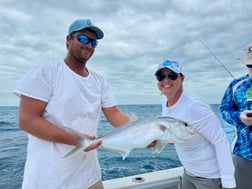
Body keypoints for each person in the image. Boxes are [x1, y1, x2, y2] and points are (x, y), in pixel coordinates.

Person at [14, 19, 130, 189]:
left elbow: (114, 114)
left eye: (93, 42)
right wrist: (76, 140)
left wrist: (148, 130)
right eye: (83, 39)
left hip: (90, 178)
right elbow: (27, 120)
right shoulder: (46, 71)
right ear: (68, 39)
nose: (89, 45)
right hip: (48, 181)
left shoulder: (100, 81)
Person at [154, 59, 236, 189]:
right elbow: (176, 135)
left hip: (208, 176)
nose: (166, 80)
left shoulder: (195, 106)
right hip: (188, 171)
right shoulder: (164, 100)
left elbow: (220, 141)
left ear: (182, 78)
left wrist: (228, 183)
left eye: (172, 75)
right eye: (161, 76)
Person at [220, 43, 252, 189]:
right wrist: (239, 117)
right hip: (243, 154)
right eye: (250, 65)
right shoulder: (236, 85)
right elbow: (224, 111)